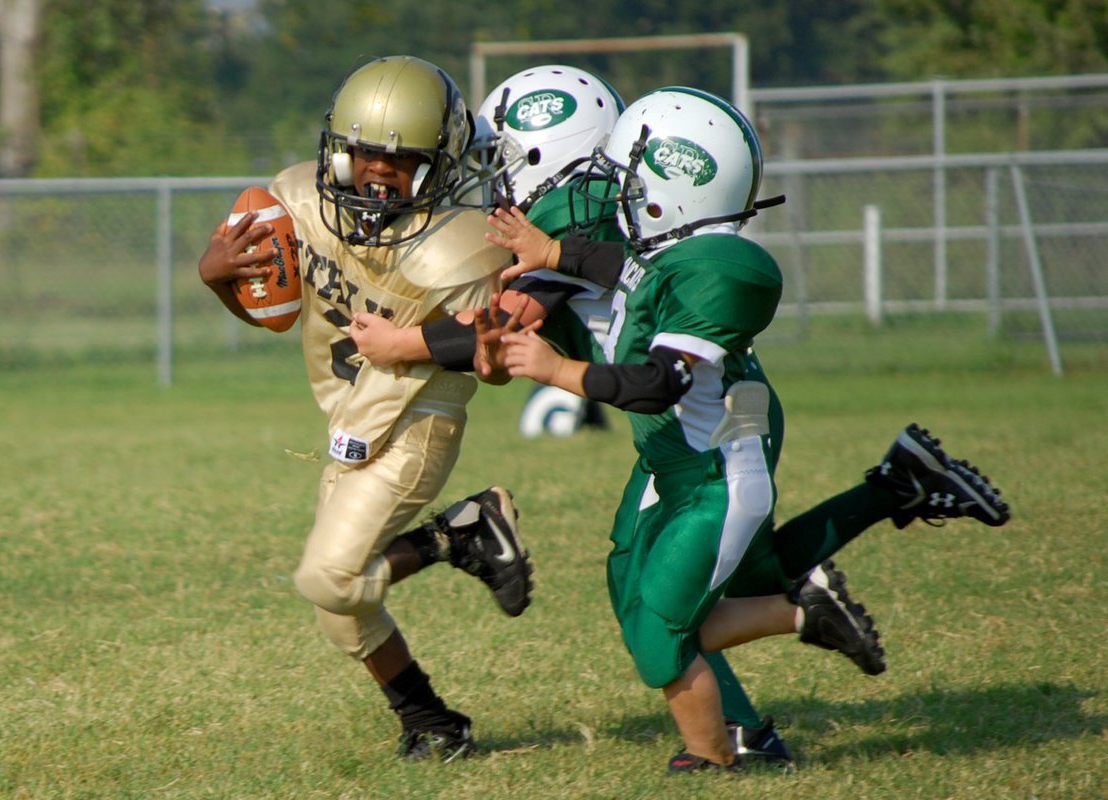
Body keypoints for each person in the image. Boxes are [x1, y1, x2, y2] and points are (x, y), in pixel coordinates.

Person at [348, 65, 888, 766]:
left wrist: (406, 344)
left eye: (502, 157)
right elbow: (618, 269)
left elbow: (517, 324)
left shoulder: (613, 221)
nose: (495, 176)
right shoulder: (629, 234)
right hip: (692, 430)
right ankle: (755, 707)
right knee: (641, 587)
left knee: (681, 606)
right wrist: (546, 264)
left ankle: (780, 656)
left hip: (708, 429)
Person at [479, 86, 1010, 772]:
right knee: (660, 586)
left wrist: (557, 371)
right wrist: (551, 249)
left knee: (666, 622)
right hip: (684, 449)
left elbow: (660, 383)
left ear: (667, 190)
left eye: (625, 181)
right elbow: (634, 272)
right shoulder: (677, 251)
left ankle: (736, 724)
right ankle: (879, 506)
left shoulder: (726, 267)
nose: (613, 194)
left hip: (716, 458)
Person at [197, 55, 535, 762]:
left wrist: (405, 342)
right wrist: (219, 280)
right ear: (339, 150)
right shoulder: (298, 201)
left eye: (400, 158)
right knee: (339, 612)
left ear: (437, 163)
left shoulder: (463, 243)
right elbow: (277, 315)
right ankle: (434, 723)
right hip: (351, 415)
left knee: (330, 576)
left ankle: (462, 533)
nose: (378, 171)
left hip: (418, 416)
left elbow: (492, 361)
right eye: (365, 153)